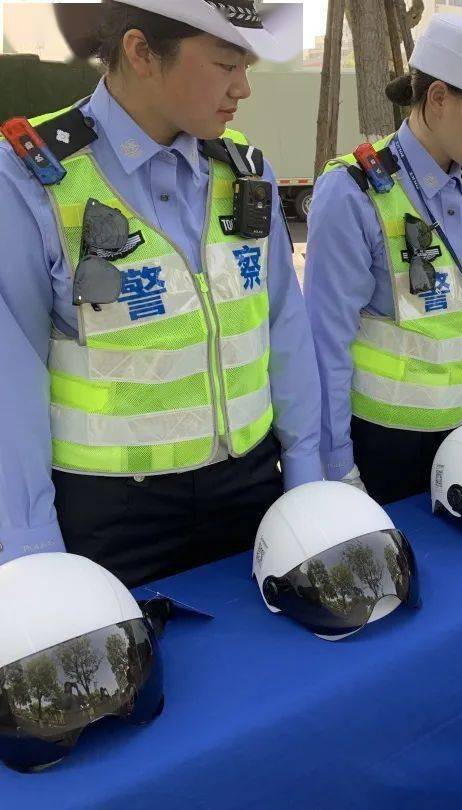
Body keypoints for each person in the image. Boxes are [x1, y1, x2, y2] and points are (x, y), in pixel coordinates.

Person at [0, 0, 320, 586]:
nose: (244, 88)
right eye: (227, 65)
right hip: (111, 519)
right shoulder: (29, 180)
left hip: (251, 493)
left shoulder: (246, 172)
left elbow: (283, 327)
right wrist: (29, 551)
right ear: (142, 52)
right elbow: (10, 380)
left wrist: (308, 470)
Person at [304, 15, 462, 505]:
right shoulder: (354, 192)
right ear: (438, 98)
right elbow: (324, 345)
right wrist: (336, 464)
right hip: (385, 450)